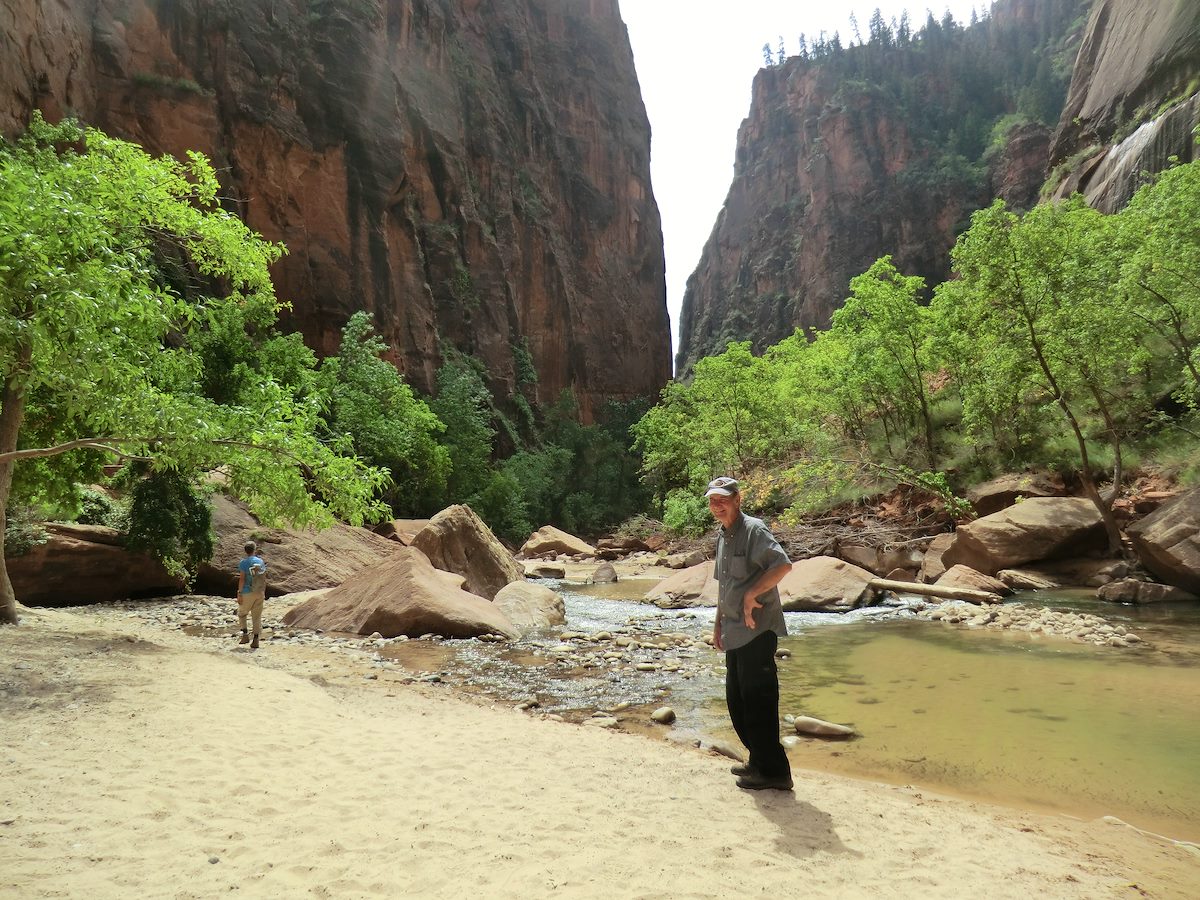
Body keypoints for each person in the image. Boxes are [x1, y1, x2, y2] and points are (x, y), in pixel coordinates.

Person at [706, 476, 794, 791]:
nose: (717, 506)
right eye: (712, 501)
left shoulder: (754, 530)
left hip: (758, 629)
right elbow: (724, 585)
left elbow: (782, 566)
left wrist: (751, 594)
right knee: (738, 701)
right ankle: (758, 761)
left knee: (759, 702)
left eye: (722, 499)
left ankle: (776, 772)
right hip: (733, 630)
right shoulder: (722, 536)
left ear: (737, 499)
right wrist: (717, 625)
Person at [235, 540, 268, 650]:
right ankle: (256, 639)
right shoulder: (261, 562)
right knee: (257, 616)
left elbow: (242, 579)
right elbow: (263, 578)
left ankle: (245, 635)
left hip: (247, 592)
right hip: (259, 592)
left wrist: (239, 593)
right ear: (254, 550)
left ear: (245, 551)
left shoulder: (243, 563)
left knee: (242, 613)